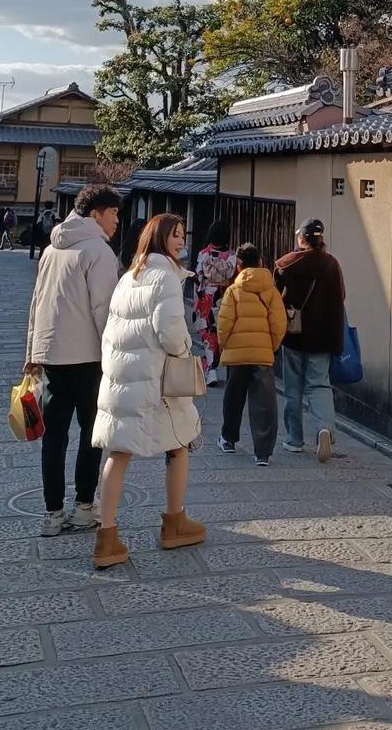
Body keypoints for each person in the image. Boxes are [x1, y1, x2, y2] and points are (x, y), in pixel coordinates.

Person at [90, 211, 204, 568]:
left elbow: (111, 330)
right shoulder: (165, 278)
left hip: (122, 378)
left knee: (118, 453)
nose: (181, 240)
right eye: (174, 235)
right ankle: (175, 521)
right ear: (158, 238)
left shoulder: (130, 277)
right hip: (155, 380)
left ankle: (106, 536)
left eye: (184, 233)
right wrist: (187, 350)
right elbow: (170, 333)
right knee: (180, 443)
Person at [22, 183, 122, 536]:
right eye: (112, 214)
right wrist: (115, 355)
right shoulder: (98, 252)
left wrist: (32, 352)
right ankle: (83, 507)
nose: (116, 222)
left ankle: (52, 513)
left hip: (52, 355)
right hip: (88, 357)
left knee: (54, 436)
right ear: (95, 214)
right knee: (91, 434)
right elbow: (104, 310)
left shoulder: (52, 248)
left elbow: (38, 302)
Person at [275, 218, 346, 462]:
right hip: (323, 337)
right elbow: (341, 299)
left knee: (292, 389)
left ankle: (294, 439)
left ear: (301, 238)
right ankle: (324, 428)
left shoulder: (285, 264)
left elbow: (276, 298)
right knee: (319, 385)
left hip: (293, 335)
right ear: (321, 239)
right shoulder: (331, 265)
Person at [217, 242, 287, 465]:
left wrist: (225, 345)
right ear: (260, 263)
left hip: (237, 354)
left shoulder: (233, 291)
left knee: (233, 398)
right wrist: (271, 346)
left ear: (238, 266)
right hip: (262, 354)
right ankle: (262, 452)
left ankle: (228, 439)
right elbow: (279, 324)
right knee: (264, 403)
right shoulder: (271, 291)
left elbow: (224, 324)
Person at [193, 221, 238, 384]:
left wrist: (197, 300)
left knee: (208, 333)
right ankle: (221, 368)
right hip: (224, 297)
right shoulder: (232, 256)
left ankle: (211, 370)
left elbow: (198, 277)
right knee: (222, 333)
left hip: (206, 298)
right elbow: (233, 276)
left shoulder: (204, 253)